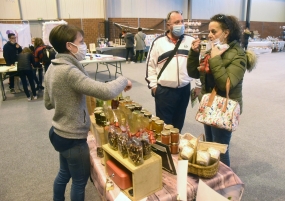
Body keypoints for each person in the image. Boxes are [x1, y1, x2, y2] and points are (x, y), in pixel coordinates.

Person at [44, 24, 132, 201]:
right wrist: (123, 80)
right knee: (79, 181)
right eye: (81, 42)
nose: (84, 46)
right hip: (72, 137)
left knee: (63, 173)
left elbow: (47, 103)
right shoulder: (69, 71)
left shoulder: (52, 67)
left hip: (58, 131)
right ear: (70, 46)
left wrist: (65, 100)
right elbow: (106, 91)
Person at [187, 14, 256, 167]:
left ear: (226, 32)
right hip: (210, 105)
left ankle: (225, 185)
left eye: (214, 31)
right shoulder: (214, 50)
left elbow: (226, 83)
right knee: (209, 145)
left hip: (224, 108)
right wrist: (194, 53)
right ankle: (212, 180)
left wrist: (215, 58)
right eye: (209, 32)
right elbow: (193, 73)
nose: (210, 35)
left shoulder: (238, 55)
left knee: (220, 150)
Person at [145, 11, 201, 132]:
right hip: (164, 91)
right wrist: (154, 86)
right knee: (164, 127)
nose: (180, 25)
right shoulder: (158, 42)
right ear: (168, 25)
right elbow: (150, 66)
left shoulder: (191, 41)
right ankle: (165, 150)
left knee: (178, 125)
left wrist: (198, 85)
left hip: (184, 90)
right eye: (176, 22)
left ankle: (175, 148)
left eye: (182, 21)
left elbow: (198, 64)